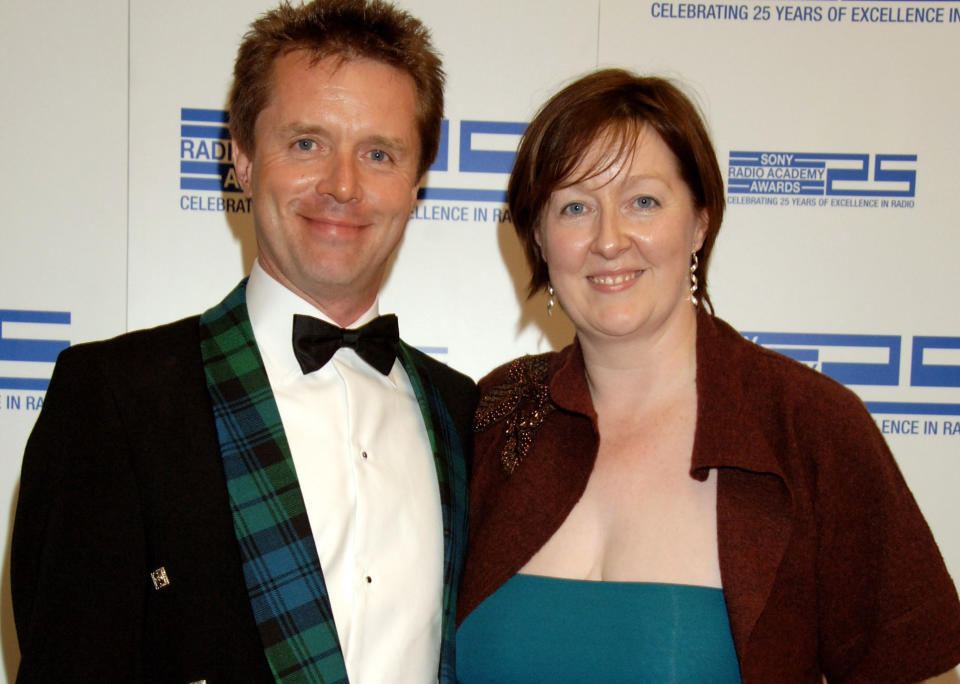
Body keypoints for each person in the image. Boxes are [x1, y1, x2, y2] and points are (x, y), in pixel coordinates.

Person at [11, 1, 477, 682]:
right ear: (244, 158)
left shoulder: (464, 413)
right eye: (306, 143)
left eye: (379, 153)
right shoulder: (116, 398)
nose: (342, 185)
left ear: (416, 183)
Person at [456, 68, 960, 682]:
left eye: (643, 201)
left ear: (699, 221)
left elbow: (919, 671)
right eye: (575, 207)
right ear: (538, 236)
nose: (609, 240)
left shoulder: (810, 426)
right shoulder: (494, 412)